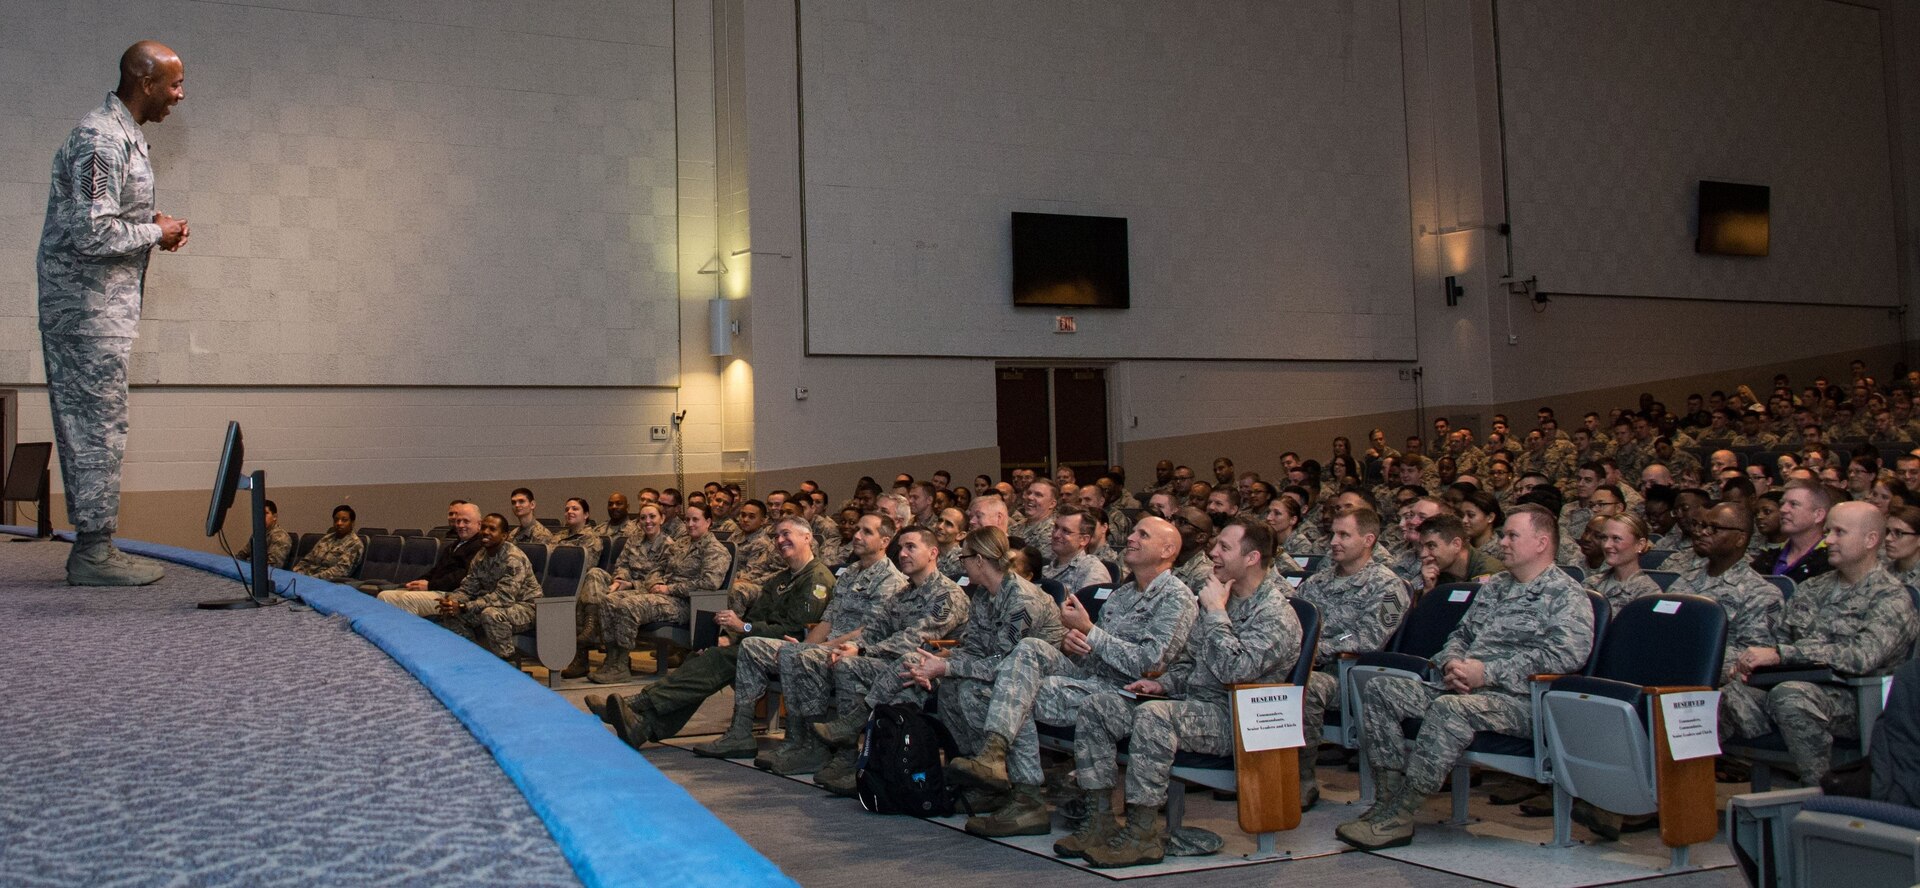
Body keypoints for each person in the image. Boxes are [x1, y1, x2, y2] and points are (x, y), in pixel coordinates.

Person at [1339, 505, 1593, 851]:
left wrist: (1486, 672)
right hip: (1464, 687)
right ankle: (1385, 801)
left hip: (1522, 702)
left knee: (1450, 711)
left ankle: (1402, 813)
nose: (1502, 542)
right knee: (1381, 690)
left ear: (1541, 542)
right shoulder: (1496, 586)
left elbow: (1566, 656)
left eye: (1512, 535)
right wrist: (1453, 665)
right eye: (1502, 535)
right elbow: (1460, 634)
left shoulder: (1566, 594)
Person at [1065, 518, 1302, 867]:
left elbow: (1233, 671)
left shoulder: (1275, 614)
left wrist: (1217, 614)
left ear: (1251, 558)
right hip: (1193, 706)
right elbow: (1189, 663)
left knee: (1154, 715)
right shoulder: (1224, 598)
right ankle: (1098, 819)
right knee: (1100, 706)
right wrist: (1163, 684)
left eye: (1224, 548)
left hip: (1238, 718)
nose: (1213, 553)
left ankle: (1142, 832)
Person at [39, 41, 190, 586]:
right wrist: (157, 231)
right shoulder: (101, 138)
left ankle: (96, 545)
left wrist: (149, 222)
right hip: (84, 311)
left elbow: (102, 214)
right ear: (143, 81)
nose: (179, 95)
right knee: (95, 425)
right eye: (173, 84)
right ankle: (93, 552)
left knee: (102, 422)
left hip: (100, 308)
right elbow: (90, 231)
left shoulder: (124, 135)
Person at [947, 517, 1198, 838]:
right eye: (1133, 530)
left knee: (1012, 693)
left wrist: (1090, 631)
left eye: (1142, 534)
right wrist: (1075, 644)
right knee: (1027, 652)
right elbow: (1097, 656)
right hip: (1093, 680)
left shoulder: (1176, 598)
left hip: (1133, 697)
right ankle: (998, 762)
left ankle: (1025, 796)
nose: (1131, 538)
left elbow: (1148, 664)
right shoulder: (1121, 596)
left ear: (1168, 550)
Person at [1721, 502, 1919, 785]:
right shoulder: (1814, 588)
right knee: (1722, 696)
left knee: (1791, 696)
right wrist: (1749, 665)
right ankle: (1680, 803)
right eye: (1828, 531)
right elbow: (1779, 639)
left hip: (1856, 699)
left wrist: (1782, 655)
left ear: (1870, 540)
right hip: (1791, 685)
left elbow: (1863, 656)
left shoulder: (1891, 598)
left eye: (1840, 532)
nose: (1829, 540)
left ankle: (1821, 791)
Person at [601, 518, 837, 747]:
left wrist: (743, 629)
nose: (780, 540)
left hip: (785, 648)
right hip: (756, 642)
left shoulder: (816, 579)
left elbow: (794, 630)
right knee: (704, 654)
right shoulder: (780, 579)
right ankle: (644, 727)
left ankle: (640, 703)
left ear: (807, 537)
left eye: (787, 534)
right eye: (777, 535)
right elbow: (755, 617)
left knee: (717, 659)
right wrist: (728, 637)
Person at [710, 513, 906, 774]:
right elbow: (827, 620)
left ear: (884, 541)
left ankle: (812, 745)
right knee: (754, 645)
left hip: (855, 651)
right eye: (857, 529)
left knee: (800, 656)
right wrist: (805, 645)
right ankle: (747, 733)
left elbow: (867, 631)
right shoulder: (849, 574)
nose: (857, 535)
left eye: (866, 532)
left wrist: (819, 649)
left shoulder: (891, 580)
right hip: (828, 646)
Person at [900, 527, 1066, 811]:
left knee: (969, 689)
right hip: (1002, 673)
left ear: (979, 560)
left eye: (964, 558)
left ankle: (1002, 777)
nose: (961, 564)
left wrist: (947, 667)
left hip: (1038, 679)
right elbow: (976, 649)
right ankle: (980, 775)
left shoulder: (1022, 600)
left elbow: (1006, 662)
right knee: (951, 688)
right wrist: (938, 662)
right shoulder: (983, 596)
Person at [1295, 508, 1410, 807]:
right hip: (1306, 665)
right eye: (1333, 533)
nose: (1334, 541)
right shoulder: (1315, 583)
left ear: (1368, 540)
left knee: (1307, 689)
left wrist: (1316, 649)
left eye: (1344, 535)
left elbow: (1368, 639)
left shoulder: (1390, 587)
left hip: (1350, 675)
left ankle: (1301, 779)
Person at [589, 502, 732, 684]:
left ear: (708, 522)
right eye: (687, 519)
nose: (690, 524)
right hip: (663, 596)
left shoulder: (715, 550)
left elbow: (709, 584)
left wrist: (669, 588)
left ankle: (621, 666)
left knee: (629, 605)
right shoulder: (681, 544)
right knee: (608, 600)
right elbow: (658, 568)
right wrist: (657, 581)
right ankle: (612, 659)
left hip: (686, 604)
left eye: (696, 520)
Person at [431, 513, 541, 659]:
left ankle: (507, 664)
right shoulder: (481, 556)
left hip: (527, 608)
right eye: (483, 527)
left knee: (491, 614)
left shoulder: (513, 558)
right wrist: (453, 601)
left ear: (504, 536)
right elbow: (468, 588)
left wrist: (465, 607)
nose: (486, 532)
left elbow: (504, 598)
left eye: (492, 529)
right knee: (452, 614)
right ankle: (474, 658)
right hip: (496, 605)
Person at [376, 502, 485, 610]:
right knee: (384, 596)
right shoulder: (452, 546)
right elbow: (436, 571)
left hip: (453, 594)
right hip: (436, 589)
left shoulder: (480, 547)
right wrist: (416, 583)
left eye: (466, 521)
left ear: (479, 525)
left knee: (407, 599)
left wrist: (430, 586)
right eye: (458, 521)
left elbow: (460, 577)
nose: (460, 525)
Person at [1753, 480, 1835, 583]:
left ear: (1818, 515)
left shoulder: (1832, 559)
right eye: (1782, 503)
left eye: (1793, 504)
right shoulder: (1768, 557)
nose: (1783, 509)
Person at [1582, 514, 1661, 614]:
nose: (1606, 545)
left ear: (1640, 545)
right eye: (1604, 538)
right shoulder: (1590, 584)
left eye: (1616, 538)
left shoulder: (1648, 593)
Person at [1044, 506, 1113, 593]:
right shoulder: (1044, 569)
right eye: (1056, 527)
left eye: (1066, 531)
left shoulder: (1092, 571)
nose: (1056, 535)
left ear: (1083, 540)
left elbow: (1089, 606)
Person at [293, 505, 363, 582]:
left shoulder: (355, 544)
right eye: (336, 520)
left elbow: (340, 571)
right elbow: (308, 559)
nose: (339, 523)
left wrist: (311, 578)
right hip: (307, 578)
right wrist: (296, 572)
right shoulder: (326, 538)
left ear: (352, 523)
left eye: (344, 520)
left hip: (327, 583)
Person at [234, 499, 293, 569]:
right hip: (251, 571)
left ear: (275, 517)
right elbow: (242, 555)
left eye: (265, 513)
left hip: (268, 576)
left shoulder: (281, 537)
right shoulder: (258, 534)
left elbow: (272, 566)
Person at [547, 497, 605, 568]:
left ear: (586, 515)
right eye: (567, 509)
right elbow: (547, 559)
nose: (569, 512)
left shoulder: (592, 538)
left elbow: (583, 566)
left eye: (575, 509)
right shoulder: (559, 535)